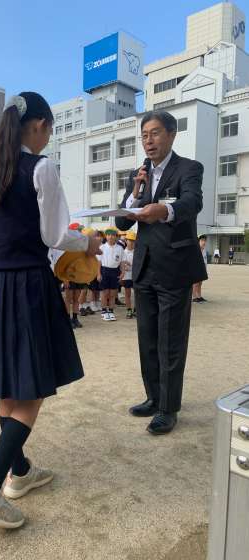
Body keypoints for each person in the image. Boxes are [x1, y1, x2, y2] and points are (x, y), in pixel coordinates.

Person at [0, 92, 101, 528]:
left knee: (10, 385)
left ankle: (20, 472)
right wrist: (88, 242)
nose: (48, 137)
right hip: (28, 283)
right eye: (49, 129)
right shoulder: (42, 167)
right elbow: (54, 235)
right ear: (38, 125)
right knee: (31, 388)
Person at [116, 110, 207, 435]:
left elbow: (192, 203)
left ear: (171, 134)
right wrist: (135, 192)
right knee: (148, 339)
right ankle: (153, 397)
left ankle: (168, 408)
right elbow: (122, 221)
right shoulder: (138, 174)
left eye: (154, 133)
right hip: (144, 267)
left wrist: (164, 210)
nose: (148, 141)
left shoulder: (189, 168)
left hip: (174, 268)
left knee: (170, 341)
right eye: (144, 135)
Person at [97, 228, 124, 322]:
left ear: (116, 237)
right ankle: (104, 311)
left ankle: (111, 311)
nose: (110, 237)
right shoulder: (102, 247)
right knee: (104, 293)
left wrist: (122, 273)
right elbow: (98, 262)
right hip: (104, 270)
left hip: (115, 271)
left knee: (113, 293)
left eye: (113, 235)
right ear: (106, 236)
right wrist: (98, 274)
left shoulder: (120, 248)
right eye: (108, 235)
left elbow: (122, 262)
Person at [121, 231, 136, 318]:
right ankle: (129, 310)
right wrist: (124, 267)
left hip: (135, 276)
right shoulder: (123, 252)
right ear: (126, 241)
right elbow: (121, 265)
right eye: (130, 240)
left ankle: (136, 310)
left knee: (137, 294)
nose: (131, 242)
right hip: (126, 276)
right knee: (127, 294)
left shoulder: (137, 252)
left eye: (133, 240)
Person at [192, 235, 208, 303]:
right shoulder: (195, 250)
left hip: (202, 268)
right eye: (202, 240)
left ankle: (199, 296)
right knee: (195, 283)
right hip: (196, 269)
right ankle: (194, 297)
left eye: (205, 241)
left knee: (200, 283)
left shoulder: (204, 250)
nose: (204, 242)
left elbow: (205, 261)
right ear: (198, 242)